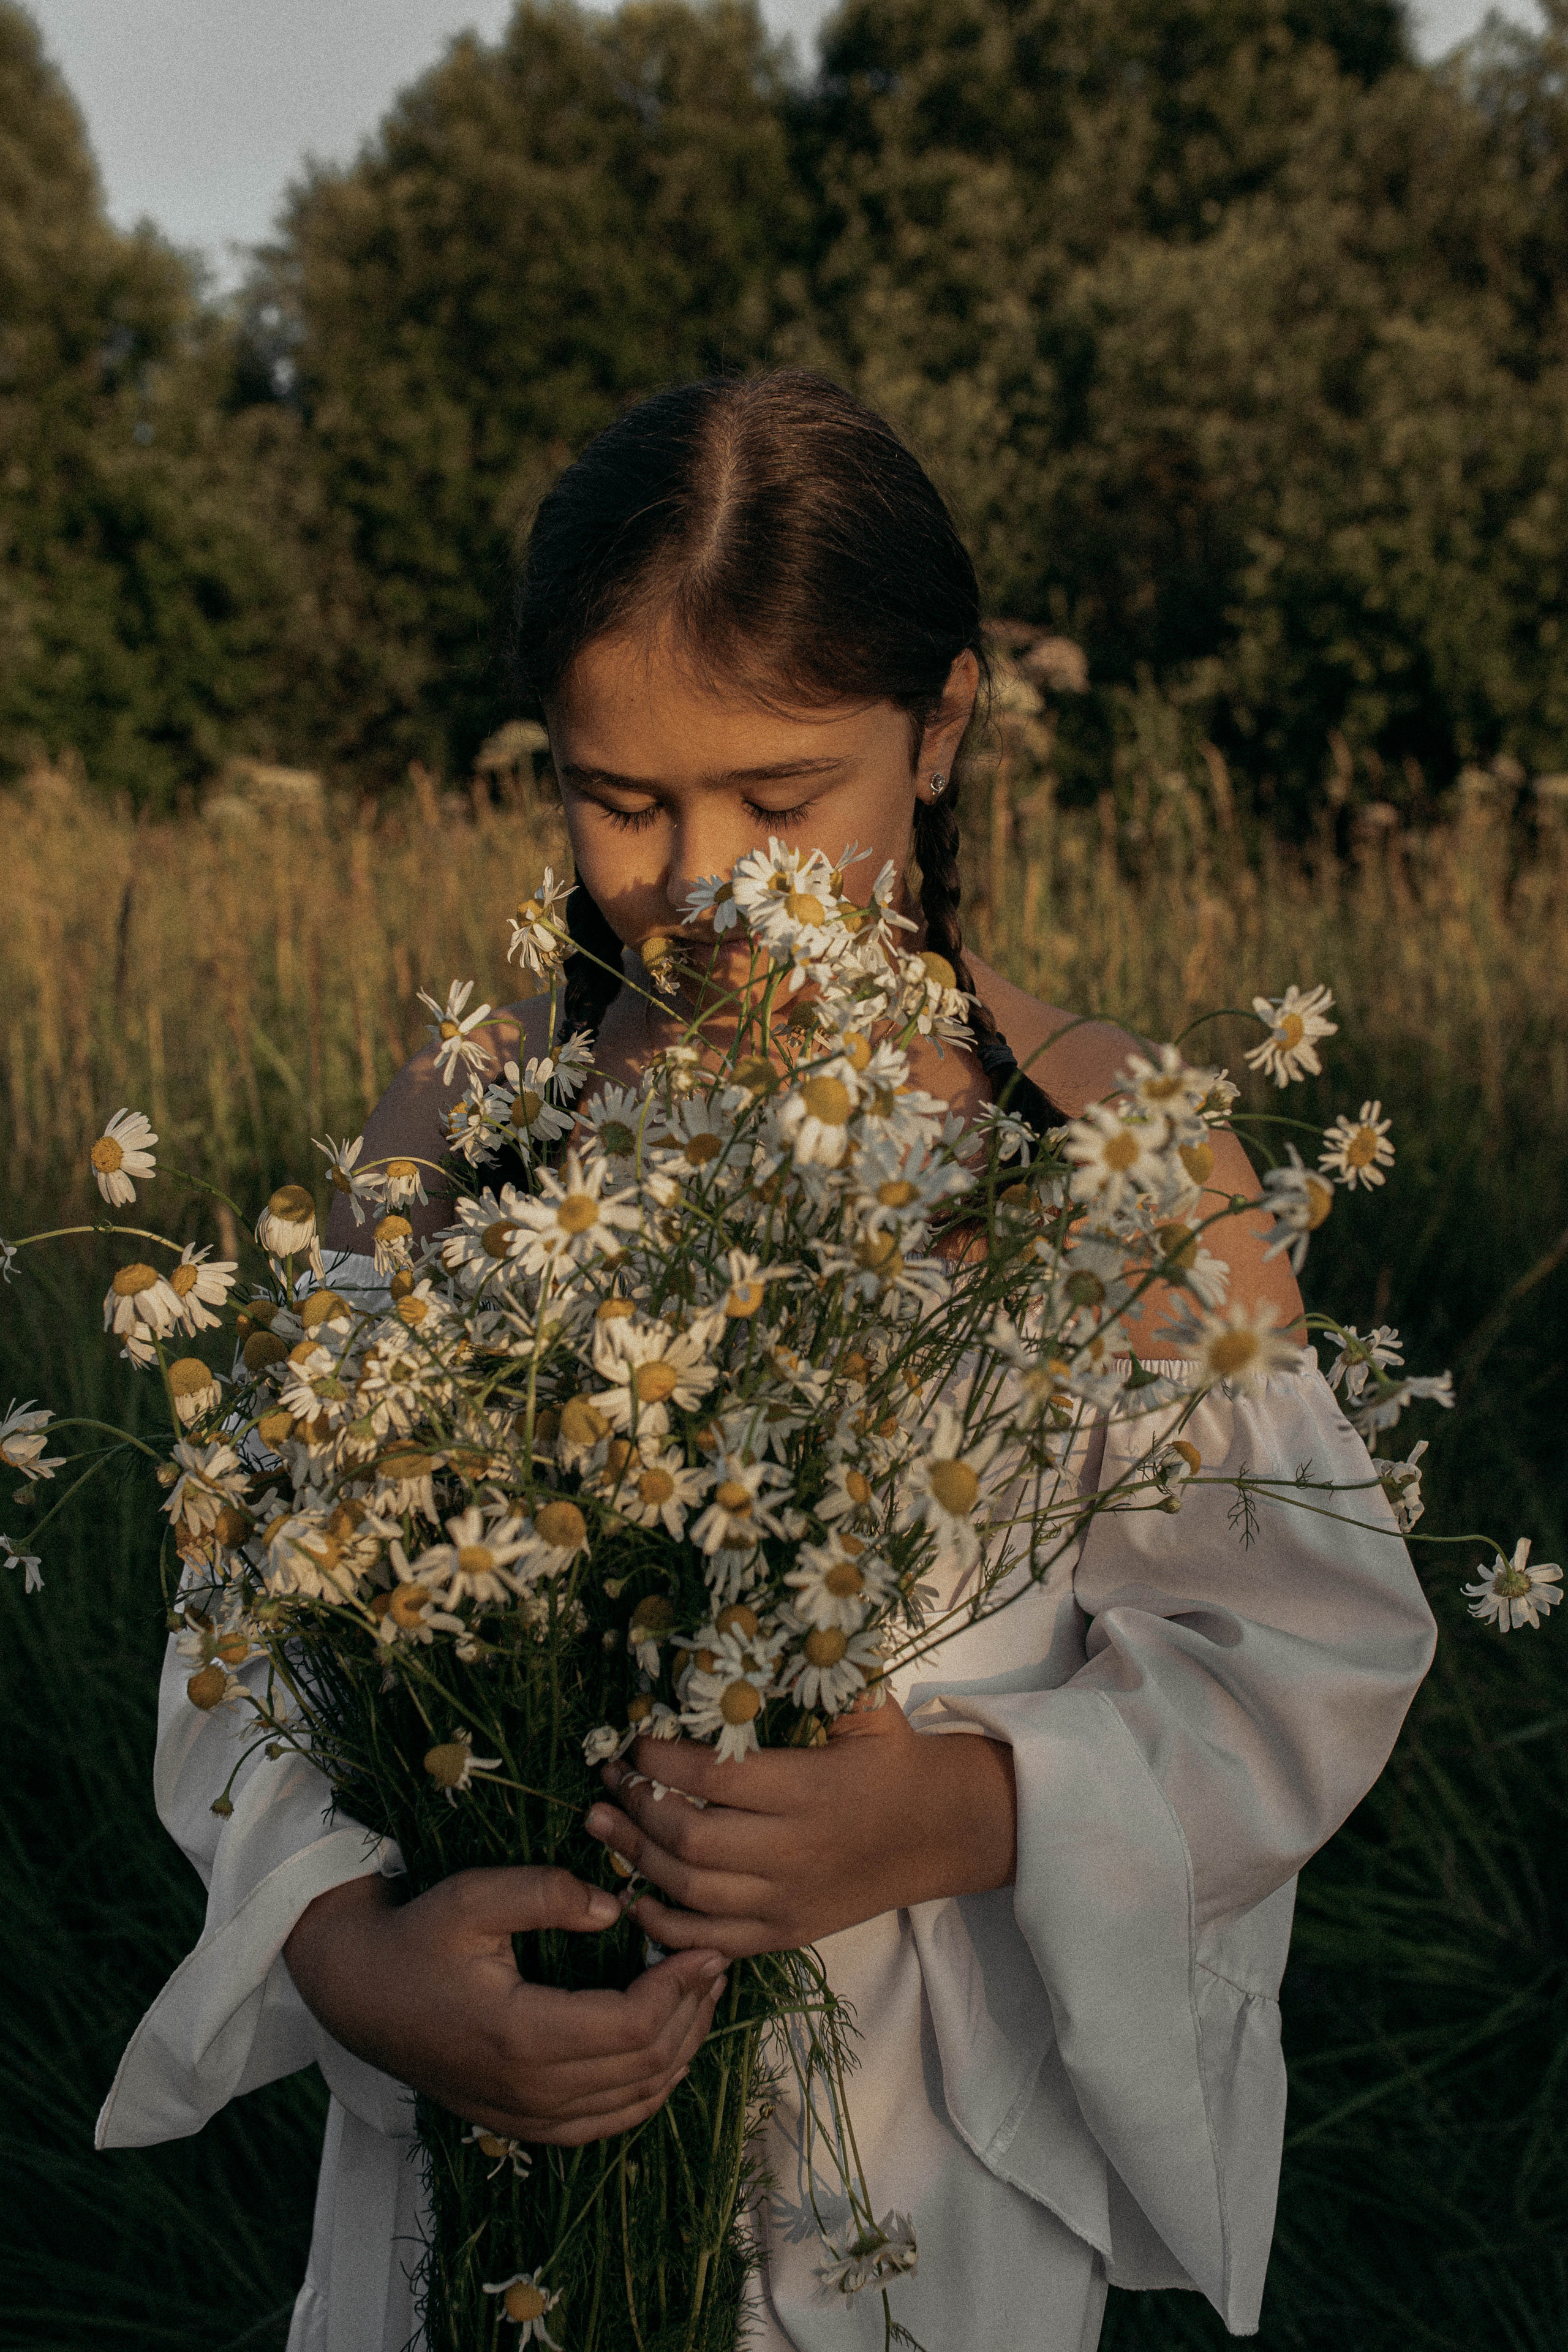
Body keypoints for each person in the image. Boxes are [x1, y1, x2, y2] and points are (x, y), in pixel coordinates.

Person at [96, 372, 1437, 2351]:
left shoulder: (1114, 1146)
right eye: (618, 796)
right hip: (499, 2177)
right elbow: (258, 1634)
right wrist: (349, 1954)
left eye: (784, 796)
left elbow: (1300, 1661)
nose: (701, 881)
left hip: (918, 2186)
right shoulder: (464, 1142)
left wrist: (964, 1813)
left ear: (947, 726)